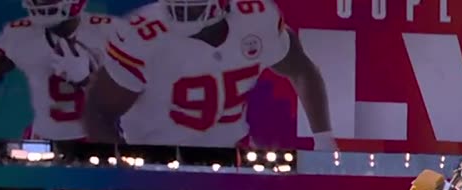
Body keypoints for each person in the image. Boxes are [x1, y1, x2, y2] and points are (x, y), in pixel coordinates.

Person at [85, 0, 335, 148]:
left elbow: (302, 69)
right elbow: (98, 111)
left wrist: (324, 141)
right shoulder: (142, 34)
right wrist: (125, 170)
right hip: (160, 159)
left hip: (232, 155)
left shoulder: (255, 18)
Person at [0, 0, 118, 141]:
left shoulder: (111, 31)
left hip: (96, 137)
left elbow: (134, 92)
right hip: (42, 136)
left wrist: (85, 80)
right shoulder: (17, 34)